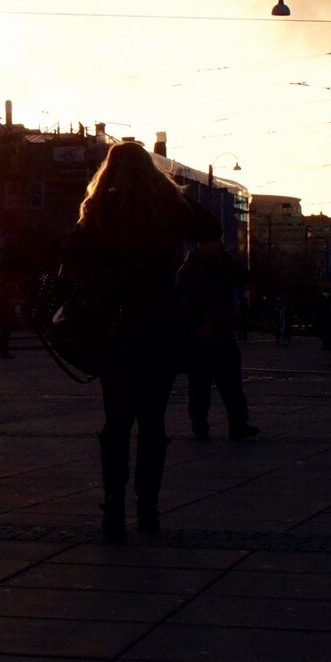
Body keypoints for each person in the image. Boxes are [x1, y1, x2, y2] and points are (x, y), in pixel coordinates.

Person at [61, 142, 220, 539]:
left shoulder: (99, 209)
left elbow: (70, 261)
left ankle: (113, 505)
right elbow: (211, 228)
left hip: (114, 329)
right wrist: (171, 191)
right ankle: (148, 509)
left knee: (116, 420)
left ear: (109, 169)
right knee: (153, 421)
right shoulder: (164, 208)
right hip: (159, 327)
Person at [179, 236, 259, 442]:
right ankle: (201, 426)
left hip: (220, 331)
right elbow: (183, 302)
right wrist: (198, 325)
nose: (215, 245)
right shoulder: (190, 269)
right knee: (201, 386)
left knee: (230, 384)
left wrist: (227, 259)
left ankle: (238, 425)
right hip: (201, 334)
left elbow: (244, 276)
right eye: (211, 241)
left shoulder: (222, 264)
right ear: (201, 243)